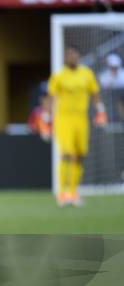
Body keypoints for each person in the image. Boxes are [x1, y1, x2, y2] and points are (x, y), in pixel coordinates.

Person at [48, 46, 107, 207]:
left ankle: (73, 192)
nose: (71, 58)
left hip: (81, 119)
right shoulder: (59, 76)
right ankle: (62, 193)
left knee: (80, 155)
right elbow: (51, 97)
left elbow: (95, 94)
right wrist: (46, 118)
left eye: (74, 55)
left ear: (79, 56)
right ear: (65, 58)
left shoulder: (87, 74)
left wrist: (101, 111)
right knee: (66, 154)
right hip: (64, 119)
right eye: (68, 55)